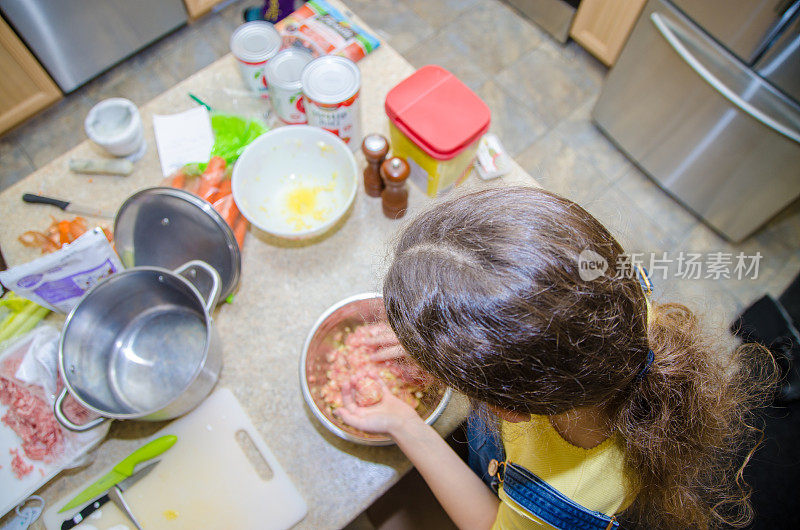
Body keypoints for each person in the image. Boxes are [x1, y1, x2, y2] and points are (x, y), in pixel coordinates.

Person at [335, 186, 772, 529]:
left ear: (505, 408)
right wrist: (437, 340)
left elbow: (489, 522)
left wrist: (405, 424)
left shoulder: (560, 497)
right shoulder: (604, 284)